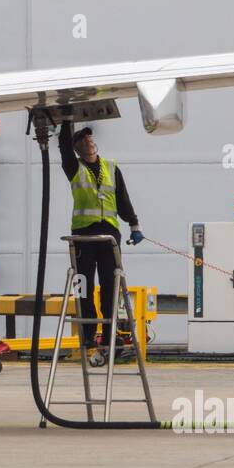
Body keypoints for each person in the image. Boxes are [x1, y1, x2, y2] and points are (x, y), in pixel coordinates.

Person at [58, 121, 144, 365]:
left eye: (90, 138)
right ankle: (87, 333)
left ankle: (108, 335)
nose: (89, 142)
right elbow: (63, 146)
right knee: (83, 284)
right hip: (84, 236)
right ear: (77, 147)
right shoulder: (74, 167)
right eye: (83, 140)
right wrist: (67, 118)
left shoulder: (110, 167)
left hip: (108, 236)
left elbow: (122, 198)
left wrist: (134, 224)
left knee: (110, 285)